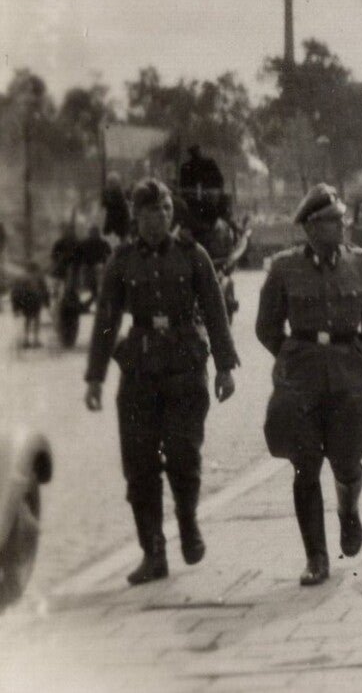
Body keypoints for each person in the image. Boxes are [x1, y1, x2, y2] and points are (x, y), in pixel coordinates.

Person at [84, 179, 240, 585]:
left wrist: (225, 367)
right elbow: (106, 319)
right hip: (139, 370)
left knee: (183, 454)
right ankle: (153, 552)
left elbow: (215, 310)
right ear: (137, 217)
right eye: (152, 212)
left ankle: (187, 522)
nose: (160, 218)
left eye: (166, 210)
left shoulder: (193, 254)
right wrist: (96, 377)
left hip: (185, 367)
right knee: (139, 464)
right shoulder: (122, 261)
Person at [256, 184, 362, 586]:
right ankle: (316, 556)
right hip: (301, 382)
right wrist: (293, 356)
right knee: (305, 467)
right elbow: (266, 327)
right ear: (311, 227)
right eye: (333, 221)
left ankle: (348, 512)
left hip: (349, 379)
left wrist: (356, 354)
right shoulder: (284, 268)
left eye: (341, 219)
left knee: (348, 461)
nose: (341, 226)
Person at [11, 266, 48, 349]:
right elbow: (45, 290)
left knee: (27, 319)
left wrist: (16, 307)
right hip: (36, 300)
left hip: (26, 301)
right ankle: (36, 340)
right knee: (36, 319)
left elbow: (16, 292)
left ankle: (26, 340)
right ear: (35, 269)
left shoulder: (21, 277)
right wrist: (46, 302)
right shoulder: (39, 277)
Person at [102, 174, 132, 244]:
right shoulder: (111, 194)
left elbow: (114, 209)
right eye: (109, 183)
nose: (109, 185)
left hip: (120, 226)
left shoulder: (118, 195)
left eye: (111, 183)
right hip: (116, 227)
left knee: (121, 243)